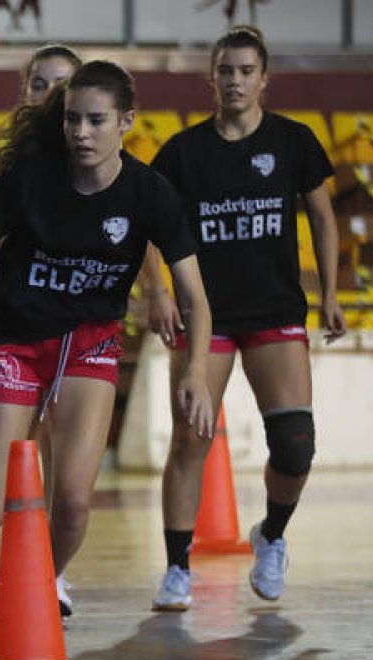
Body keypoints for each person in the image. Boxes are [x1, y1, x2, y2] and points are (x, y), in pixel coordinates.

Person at [0, 60, 215, 637]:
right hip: (15, 343)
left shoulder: (150, 193)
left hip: (90, 346)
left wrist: (196, 371)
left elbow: (196, 299)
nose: (82, 132)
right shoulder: (28, 179)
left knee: (75, 503)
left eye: (97, 120)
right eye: (73, 119)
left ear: (126, 121)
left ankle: (34, 592)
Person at [143, 26, 346, 612]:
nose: (235, 80)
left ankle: (272, 537)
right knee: (190, 439)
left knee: (296, 444)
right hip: (207, 317)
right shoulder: (183, 152)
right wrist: (156, 292)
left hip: (276, 310)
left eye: (245, 70)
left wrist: (330, 291)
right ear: (212, 77)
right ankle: (178, 567)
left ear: (263, 78)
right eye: (225, 70)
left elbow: (324, 219)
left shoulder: (293, 140)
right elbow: (149, 228)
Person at [0, 42, 84, 617]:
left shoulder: (101, 155)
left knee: (68, 466)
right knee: (4, 473)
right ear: (22, 91)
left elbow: (142, 224)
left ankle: (46, 575)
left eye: (62, 86)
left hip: (82, 333)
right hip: (16, 327)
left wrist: (155, 291)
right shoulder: (5, 164)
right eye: (38, 84)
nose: (49, 96)